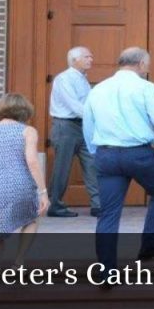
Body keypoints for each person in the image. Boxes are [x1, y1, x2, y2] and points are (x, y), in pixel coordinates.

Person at [83, 47, 154, 276]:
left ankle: (106, 270)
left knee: (108, 213)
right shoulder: (146, 88)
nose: (148, 67)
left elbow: (89, 125)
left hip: (107, 154)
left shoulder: (97, 89)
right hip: (139, 153)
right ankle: (150, 246)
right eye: (147, 63)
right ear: (139, 64)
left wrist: (95, 151)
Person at [0, 94, 49, 309]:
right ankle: (19, 262)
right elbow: (32, 162)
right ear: (24, 112)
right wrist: (43, 192)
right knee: (31, 218)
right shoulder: (27, 131)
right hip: (18, 185)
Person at [47, 46, 100, 217]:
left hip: (82, 126)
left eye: (91, 56)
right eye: (86, 56)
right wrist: (98, 118)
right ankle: (55, 205)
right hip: (66, 126)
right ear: (74, 60)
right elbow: (74, 105)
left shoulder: (82, 78)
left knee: (92, 163)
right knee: (62, 167)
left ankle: (98, 205)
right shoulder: (64, 79)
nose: (91, 59)